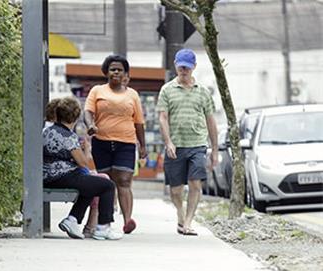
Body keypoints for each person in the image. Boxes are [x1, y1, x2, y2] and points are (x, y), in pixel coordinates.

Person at [157, 48, 218, 236]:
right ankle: (181, 215)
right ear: (176, 65)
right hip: (175, 146)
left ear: (194, 68)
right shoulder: (167, 90)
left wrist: (214, 149)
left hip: (197, 145)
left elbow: (210, 120)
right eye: (181, 67)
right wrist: (168, 142)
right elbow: (163, 118)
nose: (184, 71)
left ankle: (189, 222)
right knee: (175, 190)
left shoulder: (203, 92)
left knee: (195, 184)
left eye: (188, 68)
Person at [43, 97, 122, 240]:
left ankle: (72, 219)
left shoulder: (46, 132)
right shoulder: (68, 136)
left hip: (45, 177)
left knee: (90, 184)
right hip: (63, 177)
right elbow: (83, 163)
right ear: (75, 117)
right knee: (107, 185)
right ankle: (103, 227)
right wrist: (86, 149)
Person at [84, 54, 147, 234]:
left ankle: (128, 220)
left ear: (125, 73)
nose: (116, 72)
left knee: (124, 180)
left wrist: (142, 146)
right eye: (113, 69)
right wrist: (90, 125)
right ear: (106, 72)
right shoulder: (97, 91)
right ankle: (105, 221)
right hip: (101, 142)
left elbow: (139, 122)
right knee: (106, 182)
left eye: (120, 69)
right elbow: (87, 112)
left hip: (126, 143)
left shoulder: (132, 95)